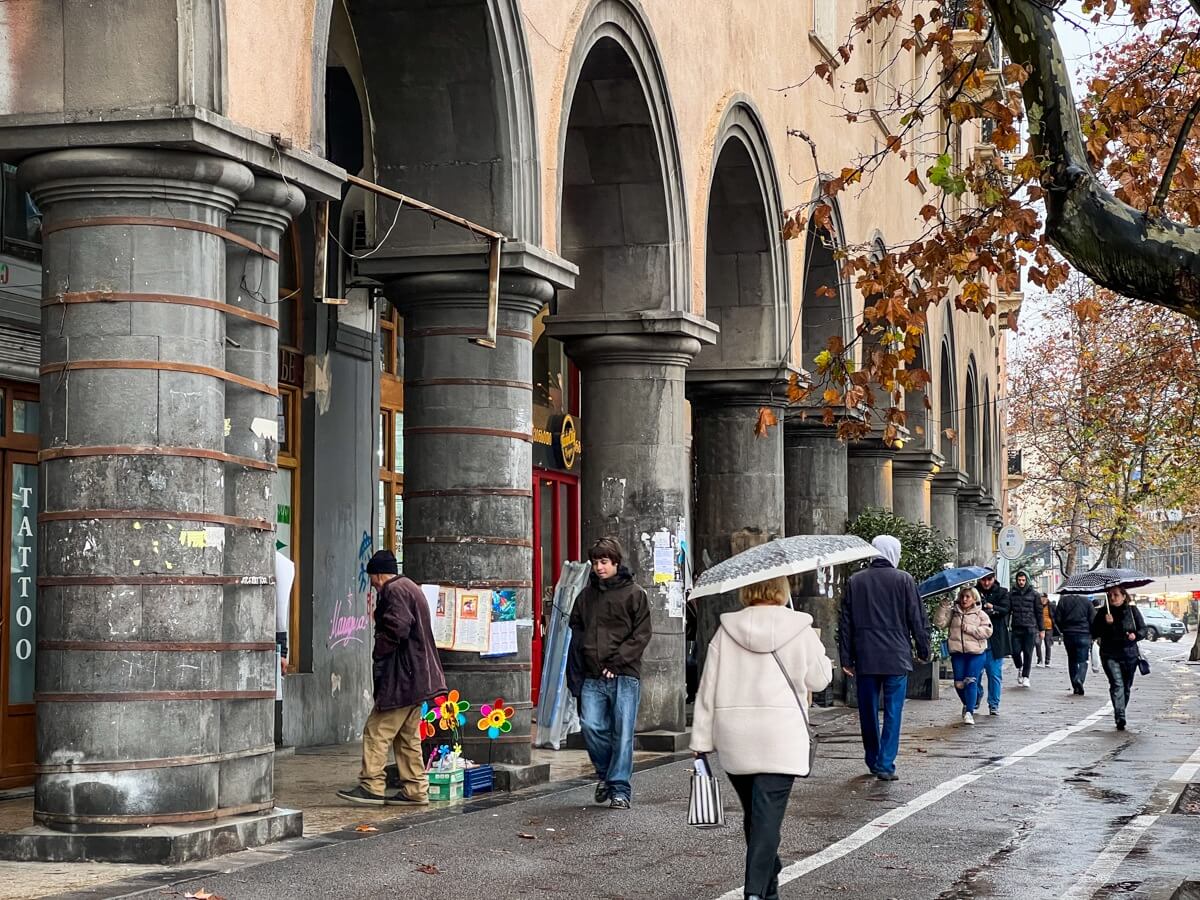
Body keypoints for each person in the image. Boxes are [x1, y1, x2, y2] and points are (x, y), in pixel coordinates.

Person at [691, 576, 833, 900]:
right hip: (781, 737)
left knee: (757, 818)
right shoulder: (800, 629)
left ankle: (768, 882)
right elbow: (820, 679)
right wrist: (820, 653)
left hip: (735, 737)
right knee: (766, 818)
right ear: (782, 591)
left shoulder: (725, 632)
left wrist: (701, 741)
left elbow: (707, 689)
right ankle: (755, 892)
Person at [337, 550, 446, 806]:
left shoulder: (393, 590)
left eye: (373, 578)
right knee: (408, 736)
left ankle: (371, 785)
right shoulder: (410, 586)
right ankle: (415, 789)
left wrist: (380, 652)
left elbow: (397, 626)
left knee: (376, 730)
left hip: (403, 677)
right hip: (420, 677)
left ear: (378, 573)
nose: (373, 585)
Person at [838, 535, 930, 782]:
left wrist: (845, 658)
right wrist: (924, 650)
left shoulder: (856, 581)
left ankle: (872, 758)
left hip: (866, 657)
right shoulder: (904, 580)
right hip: (896, 656)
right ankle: (886, 763)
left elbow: (845, 623)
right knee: (893, 711)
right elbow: (917, 619)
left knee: (867, 711)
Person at [569, 537, 652, 810]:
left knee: (623, 734)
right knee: (591, 726)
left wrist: (616, 663)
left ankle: (619, 789)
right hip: (592, 675)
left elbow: (641, 635)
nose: (599, 567)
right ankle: (606, 775)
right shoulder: (586, 596)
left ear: (616, 562)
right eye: (595, 562)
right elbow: (576, 634)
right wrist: (576, 674)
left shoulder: (635, 594)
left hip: (625, 675)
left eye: (604, 562)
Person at [1091, 586, 1147, 730]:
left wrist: (1136, 635)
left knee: (1126, 687)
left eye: (1116, 595)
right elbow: (1094, 632)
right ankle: (1120, 715)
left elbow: (1143, 629)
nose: (1112, 598)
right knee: (1117, 684)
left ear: (1123, 596)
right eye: (1110, 595)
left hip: (1129, 655)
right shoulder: (1103, 612)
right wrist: (1106, 624)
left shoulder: (1132, 611)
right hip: (1109, 654)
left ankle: (1120, 710)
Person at [947, 586, 993, 725]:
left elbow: (987, 631)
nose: (964, 599)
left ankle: (969, 712)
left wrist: (970, 629)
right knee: (959, 684)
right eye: (962, 596)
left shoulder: (981, 614)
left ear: (974, 599)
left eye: (968, 597)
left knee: (971, 680)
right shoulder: (954, 613)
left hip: (976, 653)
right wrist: (943, 606)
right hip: (958, 652)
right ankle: (969, 702)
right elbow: (940, 622)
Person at [975, 568, 1011, 716]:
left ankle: (994, 704)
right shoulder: (973, 593)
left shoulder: (1002, 592)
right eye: (983, 579)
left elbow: (1006, 609)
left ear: (993, 578)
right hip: (976, 640)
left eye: (989, 579)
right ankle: (975, 698)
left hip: (995, 640)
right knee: (974, 675)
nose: (986, 582)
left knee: (994, 674)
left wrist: (991, 607)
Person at [1055, 591, 1096, 695]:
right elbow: (1093, 620)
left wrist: (1063, 629)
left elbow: (1057, 619)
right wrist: (1093, 634)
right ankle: (1079, 679)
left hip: (1069, 634)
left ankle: (1075, 685)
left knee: (1072, 660)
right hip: (1084, 634)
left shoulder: (1063, 601)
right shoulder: (1087, 601)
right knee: (1083, 660)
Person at [1008, 570, 1040, 686]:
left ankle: (1026, 676)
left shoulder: (1034, 594)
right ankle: (1019, 667)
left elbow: (1039, 612)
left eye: (1023, 580)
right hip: (1016, 627)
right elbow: (1008, 611)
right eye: (1019, 580)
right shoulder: (1012, 594)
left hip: (1030, 627)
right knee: (1015, 652)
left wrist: (1041, 629)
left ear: (1026, 580)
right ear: (1016, 581)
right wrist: (1007, 625)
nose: (1021, 582)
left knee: (1028, 653)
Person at [1036, 592, 1058, 667]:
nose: (1042, 599)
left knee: (1047, 644)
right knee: (1037, 643)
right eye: (1041, 598)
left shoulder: (1051, 605)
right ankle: (1039, 659)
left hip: (1049, 627)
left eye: (1043, 598)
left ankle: (1047, 661)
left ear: (1046, 598)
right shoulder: (1037, 605)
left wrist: (1054, 622)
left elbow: (1055, 615)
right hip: (1039, 627)